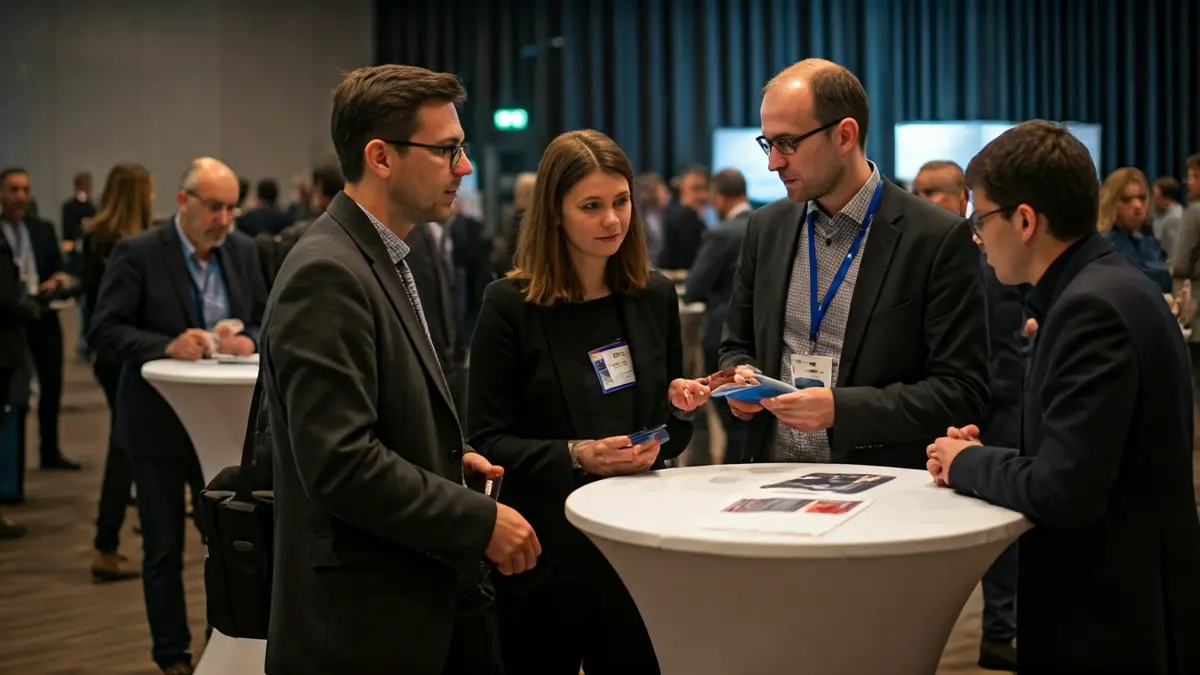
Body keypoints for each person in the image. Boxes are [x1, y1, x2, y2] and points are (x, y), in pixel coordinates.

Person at [261, 64, 540, 675]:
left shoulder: (386, 254)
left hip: (405, 601)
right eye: (447, 150)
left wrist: (444, 455)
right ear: (381, 157)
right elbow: (338, 463)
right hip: (362, 626)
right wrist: (478, 520)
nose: (464, 167)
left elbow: (379, 410)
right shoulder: (328, 271)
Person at [928, 120, 1200, 673]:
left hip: (1109, 617)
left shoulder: (1089, 309)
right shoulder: (1112, 283)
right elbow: (1087, 455)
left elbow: (1065, 491)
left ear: (1025, 220)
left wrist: (968, 464)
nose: (976, 236)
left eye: (981, 219)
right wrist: (990, 458)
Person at [467, 129, 708, 674]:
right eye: (592, 207)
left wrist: (680, 412)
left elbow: (670, 438)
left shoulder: (652, 295)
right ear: (554, 213)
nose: (612, 221)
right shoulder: (509, 306)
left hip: (634, 546)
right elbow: (484, 439)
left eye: (621, 202)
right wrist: (580, 454)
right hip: (543, 549)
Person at [717, 59, 988, 469]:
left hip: (879, 489)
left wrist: (841, 409)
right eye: (767, 143)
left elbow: (961, 391)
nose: (773, 162)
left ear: (844, 135)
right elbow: (736, 345)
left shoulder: (935, 238)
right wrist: (738, 377)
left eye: (788, 143)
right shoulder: (765, 228)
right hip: (770, 479)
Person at [89, 157, 266, 675]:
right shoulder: (139, 253)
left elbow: (262, 315)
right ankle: (172, 656)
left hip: (226, 422)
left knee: (228, 542)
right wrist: (166, 343)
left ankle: (222, 640)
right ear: (183, 201)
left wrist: (248, 338)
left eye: (232, 207)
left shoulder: (245, 251)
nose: (225, 219)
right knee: (162, 547)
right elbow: (104, 331)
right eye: (214, 207)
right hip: (158, 424)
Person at [912, 159, 1022, 671]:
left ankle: (999, 631)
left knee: (1000, 531)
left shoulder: (1000, 260)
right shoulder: (918, 262)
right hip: (937, 412)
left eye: (940, 191)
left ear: (964, 199)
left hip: (1002, 408)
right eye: (920, 191)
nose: (930, 200)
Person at [81, 162, 156, 583]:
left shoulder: (97, 239)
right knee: (124, 448)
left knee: (125, 446)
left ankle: (115, 535)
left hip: (111, 359)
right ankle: (106, 544)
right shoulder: (124, 246)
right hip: (123, 360)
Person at [0, 167, 79, 470]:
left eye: (25, 190)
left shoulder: (41, 228)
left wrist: (59, 280)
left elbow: (60, 268)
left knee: (52, 385)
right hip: (9, 321)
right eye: (14, 190)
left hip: (42, 313)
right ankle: (11, 466)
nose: (21, 196)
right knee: (13, 390)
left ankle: (50, 450)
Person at [685, 168, 752, 463]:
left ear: (719, 197)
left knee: (730, 419)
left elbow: (694, 287)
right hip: (765, 336)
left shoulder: (722, 233)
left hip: (724, 335)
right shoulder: (770, 224)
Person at [1098, 167, 1172, 293]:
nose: (1138, 206)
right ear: (1111, 202)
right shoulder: (1103, 244)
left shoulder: (1148, 238)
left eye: (1142, 198)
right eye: (1126, 199)